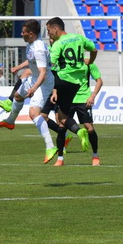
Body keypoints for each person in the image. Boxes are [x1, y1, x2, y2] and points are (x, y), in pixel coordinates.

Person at [0, 20, 61, 163]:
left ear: (30, 33)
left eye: (23, 32)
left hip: (44, 82)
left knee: (34, 113)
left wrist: (33, 88)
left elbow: (43, 72)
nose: (21, 34)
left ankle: (50, 146)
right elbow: (31, 62)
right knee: (17, 96)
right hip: (35, 78)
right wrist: (18, 67)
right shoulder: (31, 44)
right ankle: (10, 121)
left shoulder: (39, 49)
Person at [46, 16, 97, 154]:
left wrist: (54, 88)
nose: (48, 34)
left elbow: (52, 66)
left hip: (64, 81)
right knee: (60, 117)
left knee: (59, 118)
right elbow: (94, 49)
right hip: (77, 83)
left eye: (49, 30)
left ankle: (79, 131)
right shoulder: (79, 38)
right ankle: (78, 134)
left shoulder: (58, 44)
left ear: (56, 29)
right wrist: (90, 62)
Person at [54, 60, 103, 167]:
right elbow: (57, 79)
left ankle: (95, 156)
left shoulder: (88, 63)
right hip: (67, 99)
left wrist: (92, 96)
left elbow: (99, 81)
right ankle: (60, 158)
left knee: (89, 128)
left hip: (84, 99)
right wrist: (56, 93)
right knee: (61, 126)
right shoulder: (64, 63)